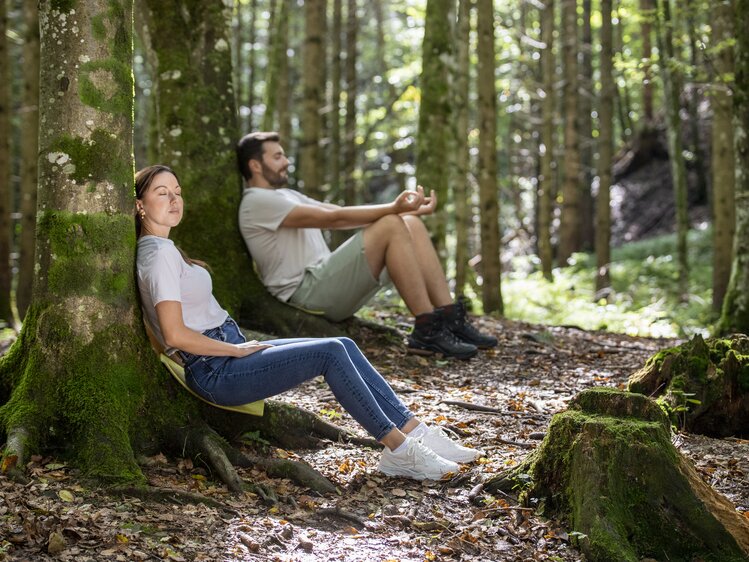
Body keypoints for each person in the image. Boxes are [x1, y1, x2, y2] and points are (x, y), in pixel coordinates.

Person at [134, 164, 485, 481]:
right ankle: (399, 451)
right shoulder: (159, 255)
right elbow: (175, 334)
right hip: (215, 367)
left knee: (344, 345)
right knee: (331, 351)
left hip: (226, 352)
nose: (174, 199)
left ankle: (416, 433)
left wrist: (235, 347)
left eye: (177, 192)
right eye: (162, 194)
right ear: (139, 206)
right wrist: (233, 350)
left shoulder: (164, 249)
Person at [236, 132, 498, 361]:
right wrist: (393, 208)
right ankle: (427, 328)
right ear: (255, 165)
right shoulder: (256, 201)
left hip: (326, 283)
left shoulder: (284, 195)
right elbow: (333, 219)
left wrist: (408, 209)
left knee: (409, 222)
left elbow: (337, 212)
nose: (286, 162)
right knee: (392, 223)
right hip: (306, 292)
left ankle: (450, 318)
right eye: (278, 157)